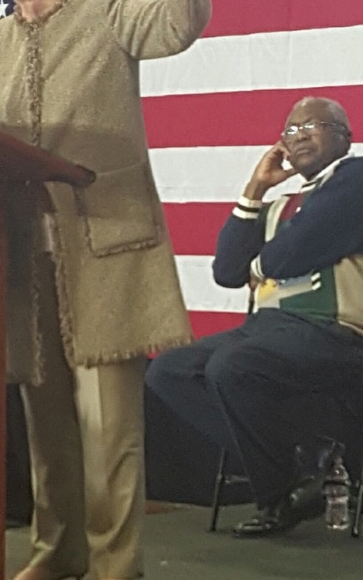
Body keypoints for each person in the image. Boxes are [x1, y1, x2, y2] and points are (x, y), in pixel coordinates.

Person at [0, 0, 212, 580]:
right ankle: (56, 547)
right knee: (47, 420)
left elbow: (179, 25)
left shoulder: (105, 12)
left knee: (108, 422)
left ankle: (116, 561)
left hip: (104, 245)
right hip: (23, 255)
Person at [146, 97, 363, 537]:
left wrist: (258, 266)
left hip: (333, 332)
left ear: (344, 136)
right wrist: (254, 191)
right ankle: (297, 472)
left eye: (314, 125)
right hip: (267, 333)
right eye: (290, 130)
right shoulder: (281, 204)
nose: (298, 134)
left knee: (232, 366)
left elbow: (298, 247)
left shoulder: (354, 179)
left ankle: (278, 491)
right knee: (169, 371)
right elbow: (226, 271)